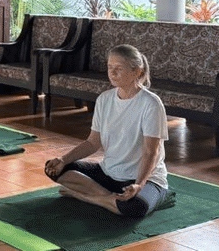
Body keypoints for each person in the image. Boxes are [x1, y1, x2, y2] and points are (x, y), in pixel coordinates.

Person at [44, 44, 169, 218]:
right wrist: (63, 159)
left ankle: (85, 196)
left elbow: (151, 152)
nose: (112, 73)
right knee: (55, 168)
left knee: (134, 208)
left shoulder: (151, 104)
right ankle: (110, 200)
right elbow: (93, 142)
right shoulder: (104, 99)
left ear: (137, 72)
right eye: (110, 67)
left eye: (119, 68)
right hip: (109, 174)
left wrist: (139, 185)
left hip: (147, 179)